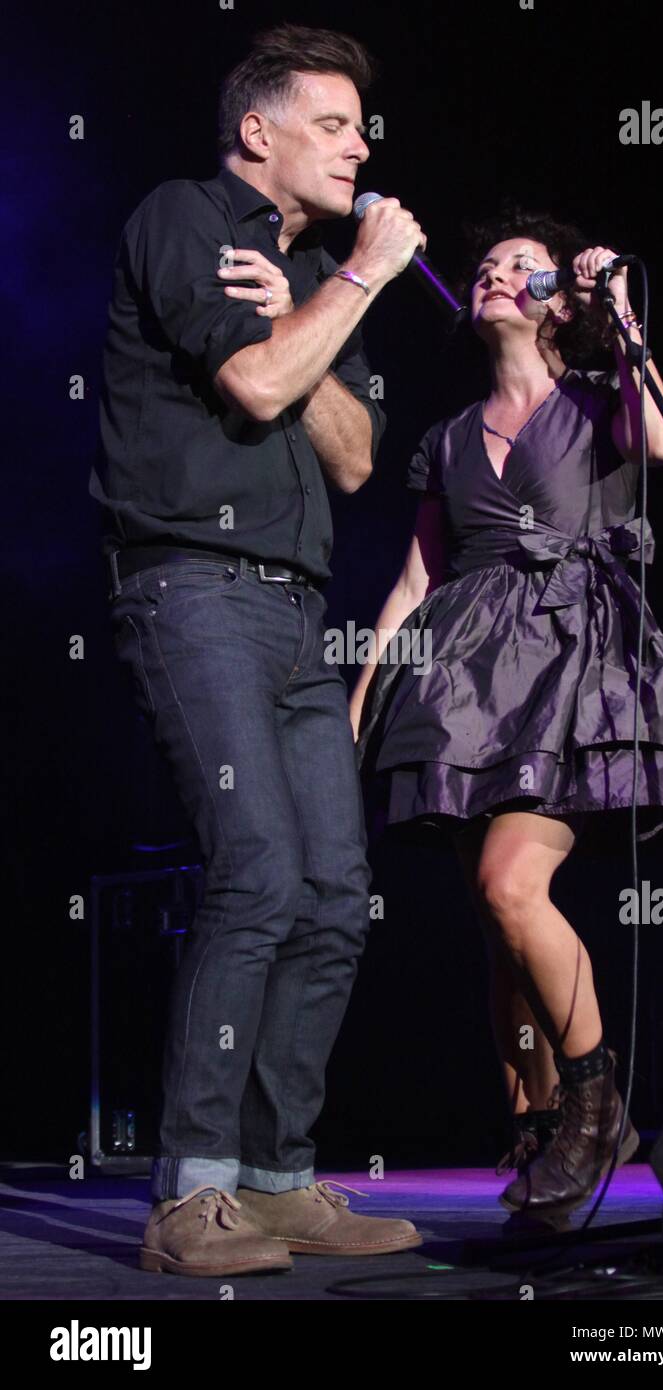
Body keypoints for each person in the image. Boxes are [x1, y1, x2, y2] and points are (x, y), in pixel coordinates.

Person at [91, 23, 428, 1275]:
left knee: (335, 895)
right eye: (333, 125)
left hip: (294, 608)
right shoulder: (185, 218)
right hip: (190, 589)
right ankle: (193, 1196)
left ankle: (281, 1180)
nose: (358, 148)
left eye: (359, 128)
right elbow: (258, 392)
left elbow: (349, 454)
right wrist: (348, 290)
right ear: (259, 132)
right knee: (256, 875)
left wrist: (321, 302)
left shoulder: (312, 281)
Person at [350, 206, 663, 1217]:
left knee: (510, 885)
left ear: (556, 304)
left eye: (522, 268)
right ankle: (535, 1121)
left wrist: (619, 309)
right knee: (494, 929)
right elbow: (415, 579)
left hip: (575, 661)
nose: (495, 275)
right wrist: (364, 694)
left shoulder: (596, 402)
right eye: (487, 265)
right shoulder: (447, 437)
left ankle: (594, 1103)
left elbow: (662, 445)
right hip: (462, 680)